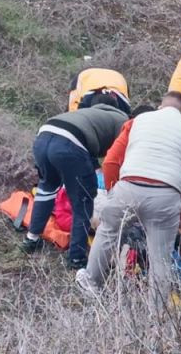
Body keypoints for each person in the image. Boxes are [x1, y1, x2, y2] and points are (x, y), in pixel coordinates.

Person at [77, 92, 181, 307]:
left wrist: (112, 191)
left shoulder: (137, 121)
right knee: (161, 256)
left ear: (159, 107)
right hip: (166, 196)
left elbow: (110, 161)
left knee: (109, 230)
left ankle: (92, 282)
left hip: (129, 187)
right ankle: (157, 311)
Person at [21, 93, 129, 269]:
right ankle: (77, 257)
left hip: (43, 136)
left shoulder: (87, 114)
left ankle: (31, 239)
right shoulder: (123, 120)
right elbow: (117, 159)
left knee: (46, 189)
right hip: (69, 143)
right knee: (83, 200)